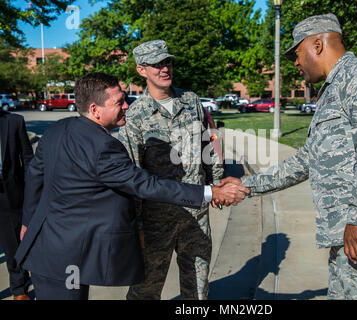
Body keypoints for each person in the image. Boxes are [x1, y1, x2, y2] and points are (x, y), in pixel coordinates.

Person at [221, 13, 357, 300]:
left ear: (317, 45)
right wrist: (248, 185)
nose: (296, 64)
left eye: (297, 54)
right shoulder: (330, 92)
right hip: (350, 235)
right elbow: (307, 159)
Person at [15, 72, 248, 300]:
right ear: (95, 110)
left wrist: (27, 221)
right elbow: (146, 185)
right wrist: (210, 192)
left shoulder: (58, 130)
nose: (126, 106)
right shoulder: (104, 147)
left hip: (48, 246)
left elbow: (35, 177)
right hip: (67, 256)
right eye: (118, 102)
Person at [117, 40, 224, 300]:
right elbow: (131, 173)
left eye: (167, 62)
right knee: (146, 290)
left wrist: (217, 183)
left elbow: (206, 145)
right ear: (141, 70)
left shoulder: (191, 100)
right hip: (156, 220)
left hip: (196, 214)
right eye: (156, 65)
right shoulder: (134, 115)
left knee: (197, 288)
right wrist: (136, 226)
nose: (164, 69)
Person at [0, 109, 33, 300]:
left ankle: (19, 289)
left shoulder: (14, 122)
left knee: (14, 245)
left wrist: (32, 192)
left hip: (9, 194)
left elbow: (28, 159)